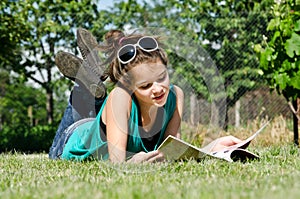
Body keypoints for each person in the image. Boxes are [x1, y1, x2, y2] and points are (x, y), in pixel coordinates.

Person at [49, 28, 242, 163]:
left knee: (103, 116)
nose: (158, 89)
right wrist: (133, 161)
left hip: (101, 127)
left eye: (161, 77)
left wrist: (214, 147)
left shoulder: (176, 95)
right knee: (98, 102)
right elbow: (117, 163)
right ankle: (87, 86)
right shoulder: (120, 96)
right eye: (146, 85)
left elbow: (173, 151)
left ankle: (94, 83)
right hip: (71, 139)